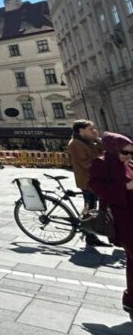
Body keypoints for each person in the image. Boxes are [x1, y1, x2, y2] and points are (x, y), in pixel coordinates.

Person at [88, 132, 133, 316]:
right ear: (113, 150)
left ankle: (130, 299)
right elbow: (95, 186)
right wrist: (125, 187)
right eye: (125, 152)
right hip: (121, 220)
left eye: (132, 152)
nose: (129, 156)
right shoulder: (101, 164)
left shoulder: (128, 164)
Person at [69, 119, 107, 247]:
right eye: (90, 129)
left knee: (92, 206)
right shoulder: (75, 144)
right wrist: (105, 164)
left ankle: (90, 233)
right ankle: (89, 235)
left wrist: (98, 140)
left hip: (95, 179)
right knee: (90, 207)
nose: (94, 130)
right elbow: (86, 163)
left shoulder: (88, 141)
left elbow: (103, 151)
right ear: (81, 131)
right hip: (87, 181)